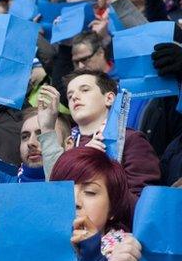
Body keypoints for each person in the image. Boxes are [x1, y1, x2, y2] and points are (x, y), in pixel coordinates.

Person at [58, 69, 161, 199]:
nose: (74, 97)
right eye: (69, 95)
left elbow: (142, 204)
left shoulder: (131, 140)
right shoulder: (66, 146)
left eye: (84, 90)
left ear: (109, 98)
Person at [50, 147, 134, 261]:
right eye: (64, 190)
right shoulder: (40, 246)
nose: (75, 201)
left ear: (112, 208)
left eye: (90, 192)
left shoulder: (125, 255)